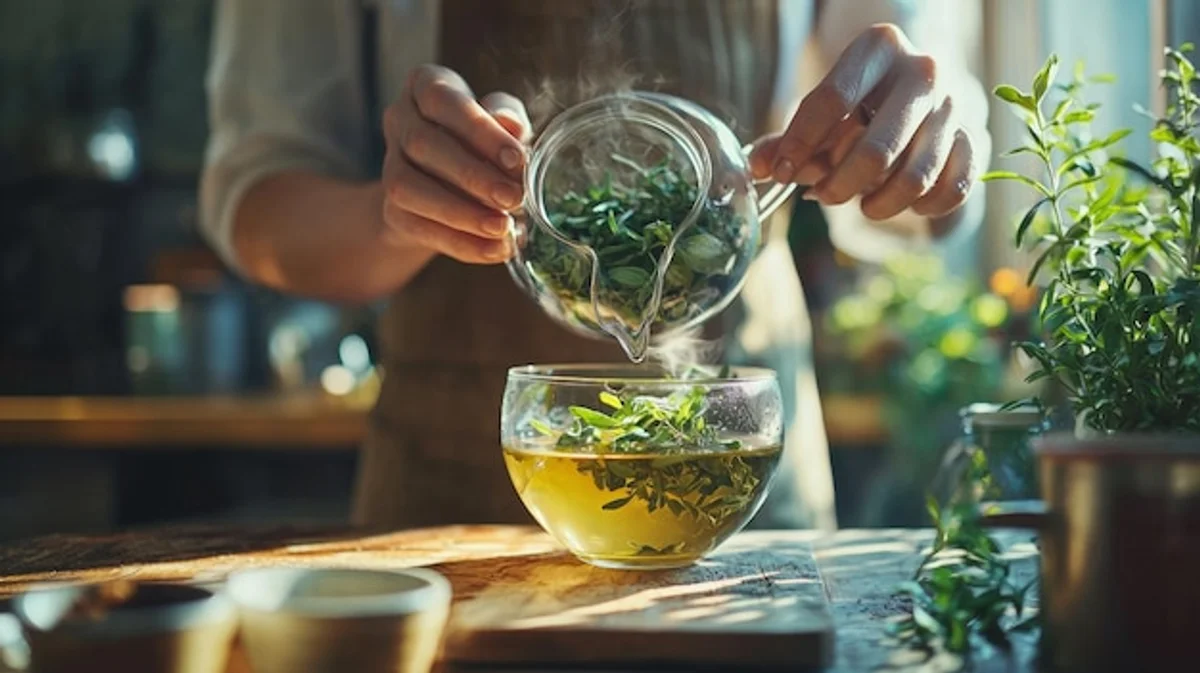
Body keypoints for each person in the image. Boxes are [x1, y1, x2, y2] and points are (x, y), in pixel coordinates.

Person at [200, 0, 989, 532]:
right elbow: (258, 195)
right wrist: (394, 212)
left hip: (739, 478)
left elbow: (936, 132)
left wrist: (930, 141)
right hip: (456, 490)